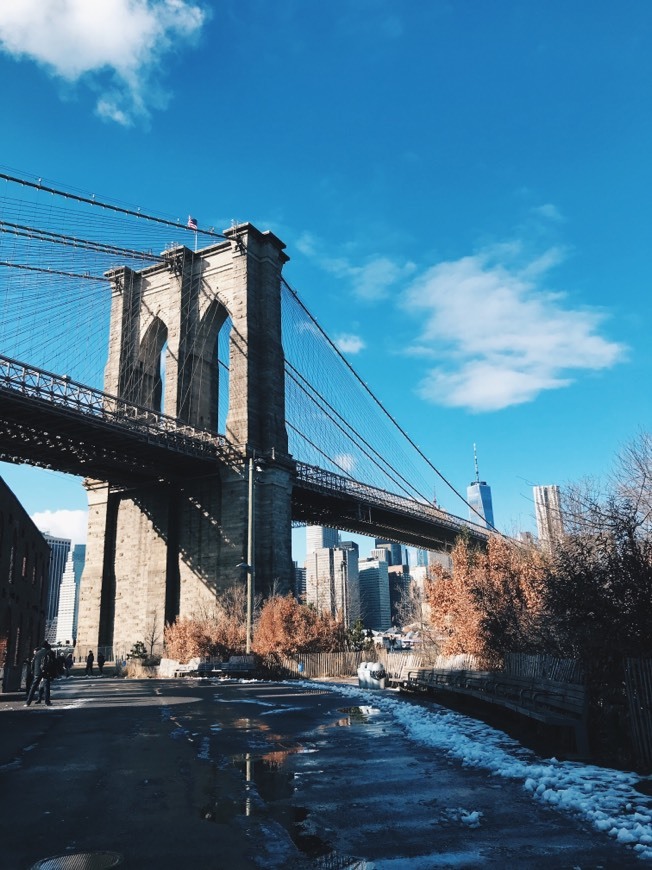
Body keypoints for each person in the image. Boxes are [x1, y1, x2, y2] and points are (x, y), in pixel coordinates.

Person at [25, 641, 53, 706]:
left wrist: (33, 671)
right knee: (46, 687)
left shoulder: (37, 653)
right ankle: (47, 702)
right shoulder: (48, 652)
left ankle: (28, 702)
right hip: (46, 672)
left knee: (33, 686)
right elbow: (51, 663)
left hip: (37, 672)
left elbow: (33, 663)